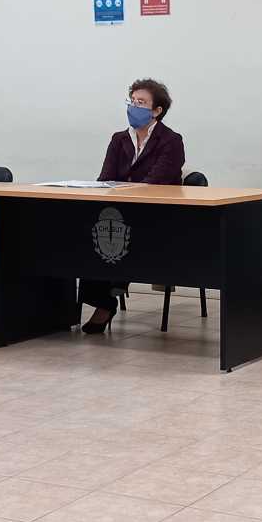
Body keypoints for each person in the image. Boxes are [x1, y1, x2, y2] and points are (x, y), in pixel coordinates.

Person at [81, 78, 185, 333]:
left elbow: (155, 182)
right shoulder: (119, 139)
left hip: (156, 215)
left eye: (141, 103)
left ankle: (106, 301)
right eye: (132, 101)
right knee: (90, 230)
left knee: (115, 234)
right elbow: (105, 179)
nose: (134, 107)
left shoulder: (171, 141)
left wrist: (125, 189)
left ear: (156, 110)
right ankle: (101, 299)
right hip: (120, 210)